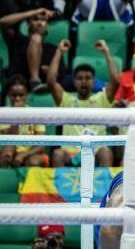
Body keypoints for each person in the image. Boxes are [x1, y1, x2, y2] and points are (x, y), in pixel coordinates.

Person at [46, 38, 118, 168]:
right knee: (58, 154)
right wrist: (59, 51)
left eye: (88, 78)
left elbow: (116, 81)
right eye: (79, 78)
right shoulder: (66, 100)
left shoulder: (102, 99)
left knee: (106, 152)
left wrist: (106, 52)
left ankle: (104, 188)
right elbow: (51, 81)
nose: (84, 81)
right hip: (70, 152)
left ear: (94, 81)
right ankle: (59, 189)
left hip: (95, 151)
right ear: (74, 81)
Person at [0, 6, 61, 89]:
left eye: (43, 20)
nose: (39, 23)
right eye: (35, 19)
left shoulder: (54, 49)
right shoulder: (17, 42)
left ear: (47, 26)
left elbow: (61, 75)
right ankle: (35, 80)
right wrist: (34, 12)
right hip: (18, 87)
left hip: (45, 88)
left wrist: (50, 71)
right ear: (28, 24)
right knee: (36, 38)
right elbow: (3, 22)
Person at [0, 76, 49, 168]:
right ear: (8, 95)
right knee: (8, 153)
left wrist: (24, 155)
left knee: (34, 162)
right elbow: (10, 138)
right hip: (9, 151)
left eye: (21, 95)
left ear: (27, 94)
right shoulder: (2, 113)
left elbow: (41, 144)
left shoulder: (35, 114)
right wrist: (17, 116)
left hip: (30, 153)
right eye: (14, 95)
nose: (17, 99)